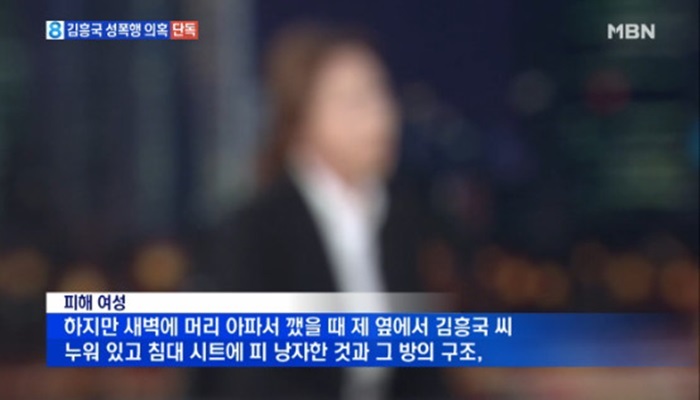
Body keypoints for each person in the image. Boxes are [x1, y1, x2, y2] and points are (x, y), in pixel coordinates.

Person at [195, 23, 448, 400]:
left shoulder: (401, 219)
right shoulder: (253, 232)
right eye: (355, 101)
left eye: (381, 94)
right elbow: (245, 379)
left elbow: (420, 371)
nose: (381, 116)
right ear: (300, 117)